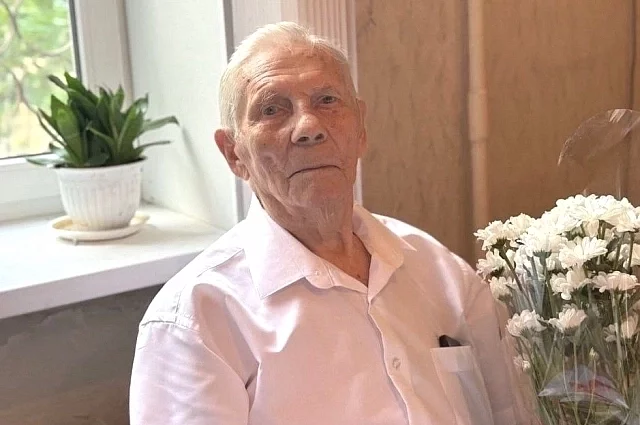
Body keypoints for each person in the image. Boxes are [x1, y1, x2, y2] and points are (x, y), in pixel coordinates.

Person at [130, 21, 529, 425]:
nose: (309, 127)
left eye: (327, 100)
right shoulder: (198, 318)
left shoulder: (438, 270)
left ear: (361, 128)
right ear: (234, 153)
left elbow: (511, 412)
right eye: (272, 109)